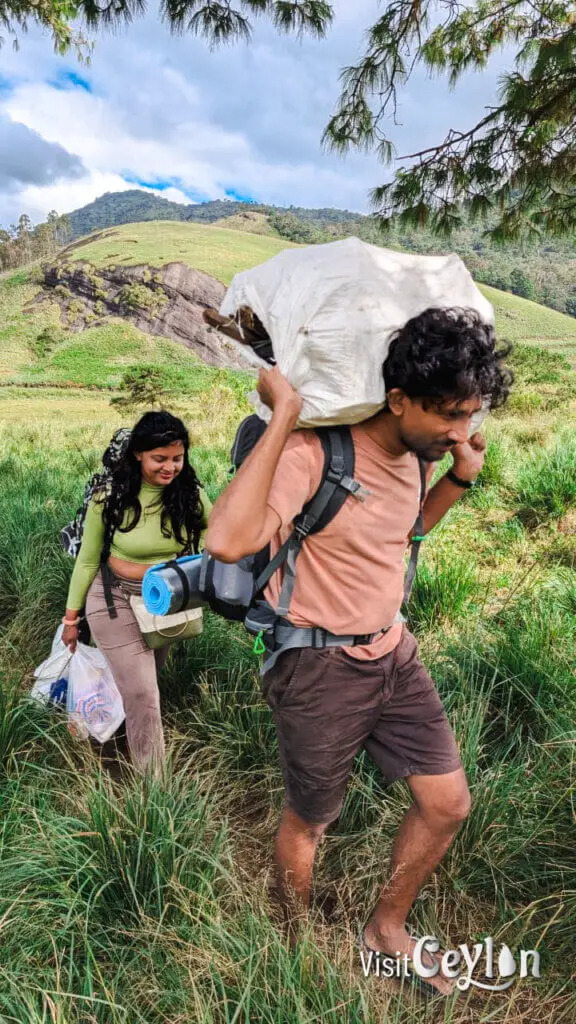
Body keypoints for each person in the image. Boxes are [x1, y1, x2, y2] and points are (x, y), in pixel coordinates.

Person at [205, 307, 512, 995]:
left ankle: (385, 929)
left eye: (471, 413)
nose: (462, 430)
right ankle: (291, 941)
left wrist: (458, 478)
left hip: (394, 652)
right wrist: (284, 416)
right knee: (311, 820)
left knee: (447, 804)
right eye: (449, 415)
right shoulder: (314, 455)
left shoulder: (418, 458)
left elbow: (400, 534)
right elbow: (225, 541)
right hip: (318, 666)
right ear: (398, 399)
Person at [62, 410, 212, 775]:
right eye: (160, 458)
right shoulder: (109, 497)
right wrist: (71, 618)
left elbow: (218, 529)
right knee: (144, 693)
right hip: (112, 599)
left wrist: (197, 562)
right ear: (138, 454)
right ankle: (154, 788)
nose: (170, 467)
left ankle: (110, 739)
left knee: (140, 685)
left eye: (177, 458)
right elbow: (87, 561)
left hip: (167, 600)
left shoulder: (190, 495)